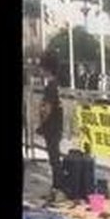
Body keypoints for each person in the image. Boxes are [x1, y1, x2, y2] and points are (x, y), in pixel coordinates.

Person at [36, 51, 65, 199]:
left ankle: (58, 188)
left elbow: (47, 108)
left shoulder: (50, 87)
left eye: (41, 68)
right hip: (56, 126)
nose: (39, 71)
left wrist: (41, 123)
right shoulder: (56, 85)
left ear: (46, 68)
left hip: (51, 127)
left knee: (54, 159)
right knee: (54, 157)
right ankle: (57, 187)